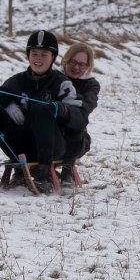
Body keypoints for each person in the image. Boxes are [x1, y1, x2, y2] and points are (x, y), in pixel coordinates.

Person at [0, 30, 86, 194]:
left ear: (53, 57)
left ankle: (43, 175)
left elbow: (79, 118)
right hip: (20, 147)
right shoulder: (16, 81)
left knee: (41, 108)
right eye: (34, 53)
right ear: (28, 55)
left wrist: (59, 109)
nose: (38, 59)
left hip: (52, 147)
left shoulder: (62, 83)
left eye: (44, 54)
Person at [57, 42, 100, 187]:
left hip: (77, 137)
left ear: (88, 66)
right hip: (50, 130)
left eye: (82, 64)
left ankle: (67, 170)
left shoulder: (91, 84)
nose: (76, 67)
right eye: (73, 62)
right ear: (66, 60)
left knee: (75, 122)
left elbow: (88, 105)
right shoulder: (54, 77)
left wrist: (70, 104)